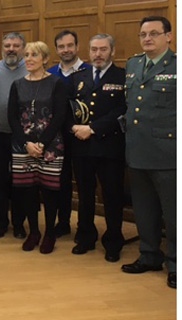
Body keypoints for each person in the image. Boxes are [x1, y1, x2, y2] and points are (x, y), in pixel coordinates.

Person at [121, 16, 176, 289]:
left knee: (173, 212)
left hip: (168, 154)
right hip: (137, 150)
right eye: (143, 34)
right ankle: (149, 255)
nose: (147, 39)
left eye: (154, 33)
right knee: (144, 210)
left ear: (169, 36)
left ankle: (176, 263)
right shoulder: (132, 64)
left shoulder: (177, 67)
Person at [68, 34, 125, 262]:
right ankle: (85, 237)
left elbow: (121, 110)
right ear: (88, 51)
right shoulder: (78, 77)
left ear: (112, 51)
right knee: (84, 195)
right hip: (81, 146)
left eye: (103, 49)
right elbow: (68, 106)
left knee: (112, 196)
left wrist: (92, 128)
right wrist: (74, 128)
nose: (98, 54)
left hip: (109, 146)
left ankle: (113, 241)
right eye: (94, 49)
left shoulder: (122, 76)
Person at [7, 41, 67, 254]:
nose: (29, 59)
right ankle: (34, 231)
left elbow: (60, 116)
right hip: (23, 146)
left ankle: (49, 232)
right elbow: (12, 117)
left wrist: (41, 143)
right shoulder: (17, 84)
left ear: (45, 59)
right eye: (27, 55)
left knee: (50, 191)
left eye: (34, 55)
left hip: (50, 146)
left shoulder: (56, 83)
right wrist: (27, 144)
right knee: (27, 192)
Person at [47, 30, 91, 239]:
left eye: (69, 45)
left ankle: (85, 228)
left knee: (84, 183)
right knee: (60, 182)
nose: (66, 50)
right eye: (61, 46)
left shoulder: (90, 71)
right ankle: (63, 222)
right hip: (57, 137)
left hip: (84, 137)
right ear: (56, 49)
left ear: (77, 46)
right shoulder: (50, 72)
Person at [0, 33, 28, 239]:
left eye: (16, 45)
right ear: (2, 47)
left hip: (22, 136)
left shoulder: (30, 68)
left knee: (21, 181)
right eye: (7, 45)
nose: (11, 49)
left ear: (23, 48)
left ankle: (19, 224)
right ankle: (0, 223)